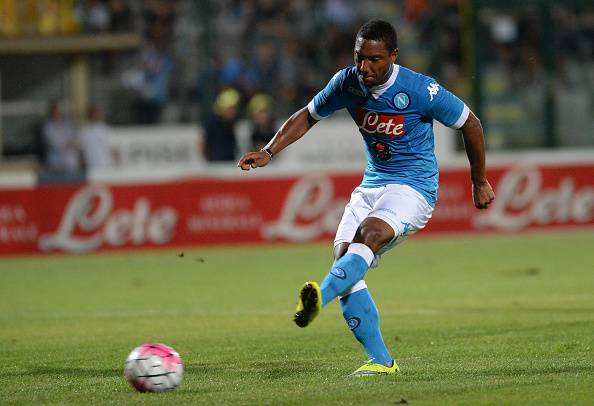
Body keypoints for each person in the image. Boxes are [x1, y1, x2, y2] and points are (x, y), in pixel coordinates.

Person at [237, 19, 495, 376]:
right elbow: (307, 116)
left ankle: (317, 299)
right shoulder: (347, 82)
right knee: (346, 262)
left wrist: (478, 181)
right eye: (360, 58)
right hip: (372, 185)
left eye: (375, 59)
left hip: (414, 188)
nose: (365, 67)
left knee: (369, 236)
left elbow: (471, 123)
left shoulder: (420, 90)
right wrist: (269, 151)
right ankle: (381, 361)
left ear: (393, 55)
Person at [203, 88, 240, 162]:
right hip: (216, 164)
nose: (234, 111)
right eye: (231, 108)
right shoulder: (213, 123)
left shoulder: (232, 123)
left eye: (234, 108)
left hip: (230, 164)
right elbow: (203, 145)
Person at [42, 102, 79, 173]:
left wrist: (69, 144)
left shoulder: (67, 124)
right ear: (51, 113)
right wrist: (63, 145)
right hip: (55, 159)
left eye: (57, 111)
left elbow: (74, 138)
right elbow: (51, 141)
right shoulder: (47, 126)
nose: (56, 114)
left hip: (69, 159)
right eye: (54, 112)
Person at [78, 106, 113, 170]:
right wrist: (82, 160)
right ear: (88, 114)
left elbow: (110, 146)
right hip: (90, 162)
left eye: (95, 113)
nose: (94, 115)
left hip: (104, 162)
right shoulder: (84, 129)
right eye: (92, 113)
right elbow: (81, 147)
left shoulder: (104, 128)